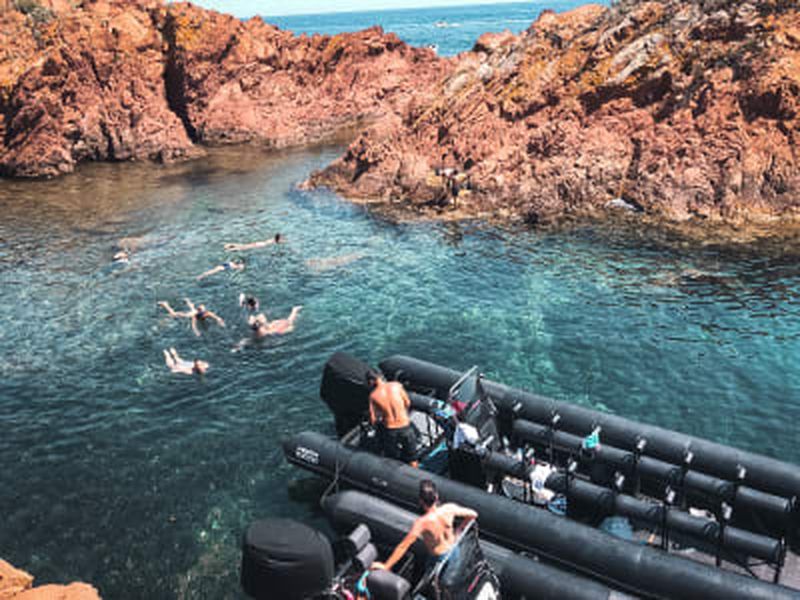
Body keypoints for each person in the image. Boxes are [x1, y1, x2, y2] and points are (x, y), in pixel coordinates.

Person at [371, 480, 477, 573]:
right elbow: (473, 514)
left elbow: (403, 546)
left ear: (421, 501)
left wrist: (386, 566)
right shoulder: (449, 508)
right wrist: (459, 529)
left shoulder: (422, 523)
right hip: (454, 550)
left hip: (439, 559)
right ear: (436, 496)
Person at [367, 370, 418, 467]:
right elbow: (407, 402)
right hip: (405, 426)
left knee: (392, 458)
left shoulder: (373, 396)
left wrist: (381, 417)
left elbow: (373, 419)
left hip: (390, 430)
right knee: (412, 458)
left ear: (371, 381)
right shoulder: (396, 386)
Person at [158, 298, 225, 336]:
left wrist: (220, 321)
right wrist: (196, 332)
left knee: (192, 308)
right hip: (187, 315)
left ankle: (187, 301)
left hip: (194, 312)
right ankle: (165, 304)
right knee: (173, 314)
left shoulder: (207, 313)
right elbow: (193, 325)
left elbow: (216, 317)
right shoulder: (194, 316)